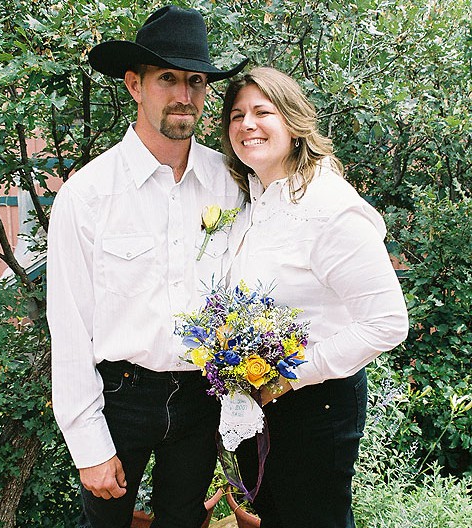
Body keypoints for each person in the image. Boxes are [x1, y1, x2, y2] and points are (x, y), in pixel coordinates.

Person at [46, 6, 247, 528]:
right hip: (120, 399)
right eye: (168, 79)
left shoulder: (232, 184)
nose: (184, 96)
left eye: (195, 81)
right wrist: (88, 444)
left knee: (184, 521)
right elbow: (69, 329)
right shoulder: (89, 196)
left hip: (203, 398)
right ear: (135, 85)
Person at [221, 67, 409, 528]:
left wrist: (290, 376)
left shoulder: (328, 207)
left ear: (293, 122)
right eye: (237, 114)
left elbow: (387, 321)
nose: (247, 124)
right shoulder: (255, 201)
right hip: (261, 402)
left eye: (263, 112)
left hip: (315, 406)